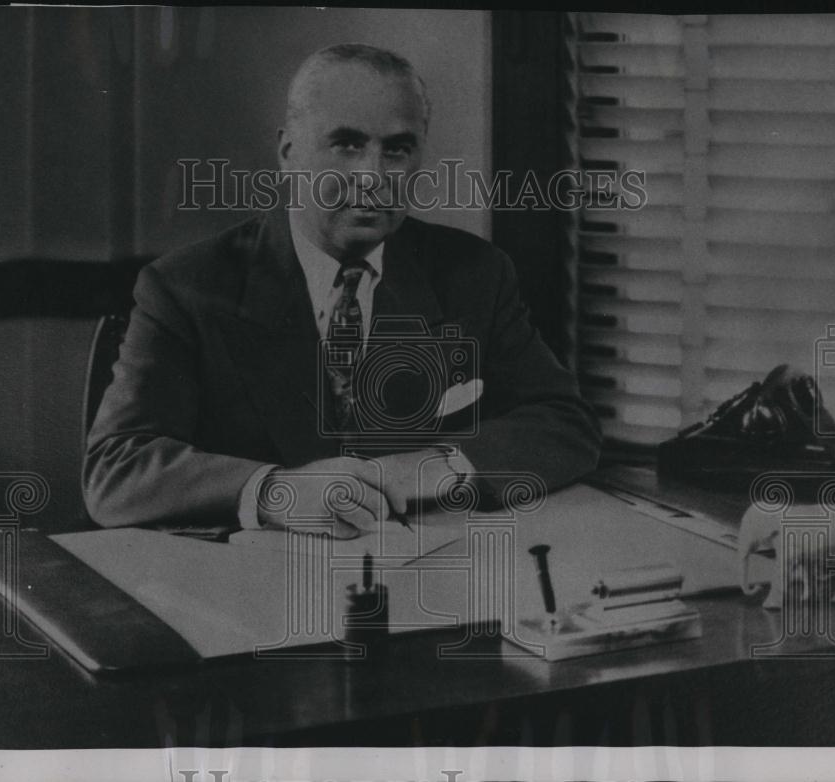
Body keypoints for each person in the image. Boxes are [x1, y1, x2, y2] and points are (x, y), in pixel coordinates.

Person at [83, 43, 601, 538]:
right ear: (288, 151)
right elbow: (115, 468)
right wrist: (274, 492)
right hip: (249, 588)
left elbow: (564, 422)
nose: (373, 177)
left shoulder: (474, 273)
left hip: (422, 580)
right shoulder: (186, 286)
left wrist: (440, 466)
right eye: (347, 145)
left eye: (397, 150)